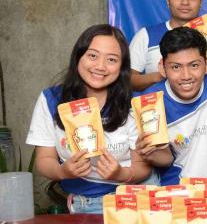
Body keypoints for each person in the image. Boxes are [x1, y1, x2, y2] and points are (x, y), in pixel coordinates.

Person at [27, 24, 151, 213]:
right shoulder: (51, 99)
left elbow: (143, 167)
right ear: (78, 56)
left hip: (129, 200)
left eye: (111, 59)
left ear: (122, 67)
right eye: (92, 56)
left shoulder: (133, 104)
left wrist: (120, 174)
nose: (100, 66)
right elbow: (44, 159)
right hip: (79, 204)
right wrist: (62, 171)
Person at [139, 27, 207, 185]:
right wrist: (150, 154)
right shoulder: (151, 101)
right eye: (176, 67)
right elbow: (167, 159)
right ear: (162, 68)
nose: (186, 76)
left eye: (194, 65)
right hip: (176, 187)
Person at [129, 0, 204, 91]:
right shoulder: (146, 36)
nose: (185, 2)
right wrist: (161, 75)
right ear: (168, 0)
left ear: (201, 2)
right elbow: (127, 80)